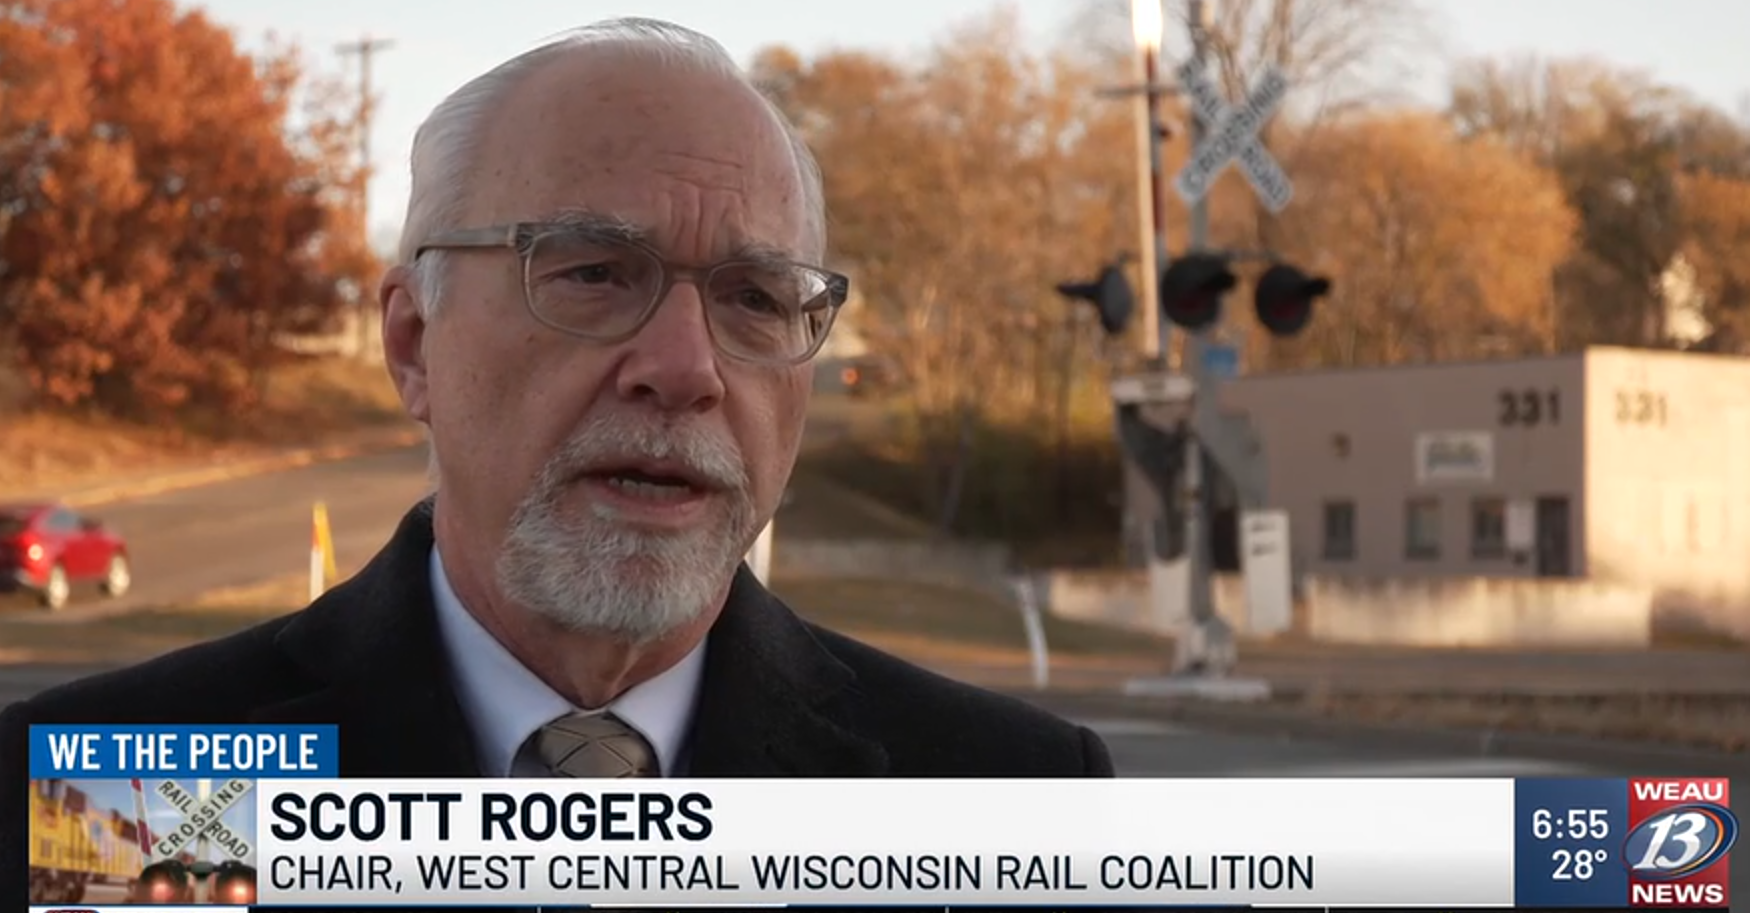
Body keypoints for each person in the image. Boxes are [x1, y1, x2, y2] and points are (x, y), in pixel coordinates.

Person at [0, 17, 1113, 894]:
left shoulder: (1018, 802)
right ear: (412, 341)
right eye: (590, 272)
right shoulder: (105, 799)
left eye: (757, 298)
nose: (684, 369)